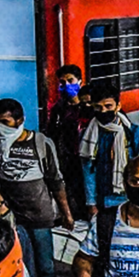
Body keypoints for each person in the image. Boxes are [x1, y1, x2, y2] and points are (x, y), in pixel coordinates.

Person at [0, 98, 74, 277]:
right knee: (19, 261)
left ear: (20, 120)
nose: (1, 128)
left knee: (45, 263)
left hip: (39, 214)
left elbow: (56, 181)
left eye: (6, 122)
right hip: (11, 216)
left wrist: (66, 214)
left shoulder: (40, 143)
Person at [80, 81, 139, 214]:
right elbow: (88, 171)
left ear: (118, 106)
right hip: (102, 201)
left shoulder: (135, 133)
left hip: (129, 199)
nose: (103, 111)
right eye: (98, 107)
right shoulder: (88, 136)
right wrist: (91, 203)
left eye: (108, 106)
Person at [45, 64, 89, 220]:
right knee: (72, 190)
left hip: (89, 157)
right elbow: (51, 133)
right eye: (63, 83)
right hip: (68, 157)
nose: (67, 85)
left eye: (71, 80)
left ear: (80, 82)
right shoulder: (58, 109)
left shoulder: (89, 106)